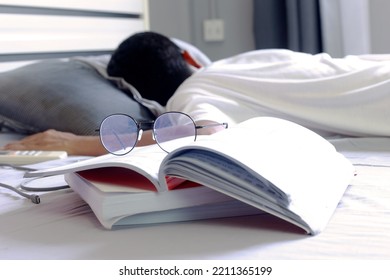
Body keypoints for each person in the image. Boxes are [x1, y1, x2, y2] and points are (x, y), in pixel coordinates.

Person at [3, 32, 390, 155]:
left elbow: (202, 132)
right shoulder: (252, 59)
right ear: (189, 56)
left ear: (142, 97)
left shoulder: (189, 98)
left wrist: (76, 143)